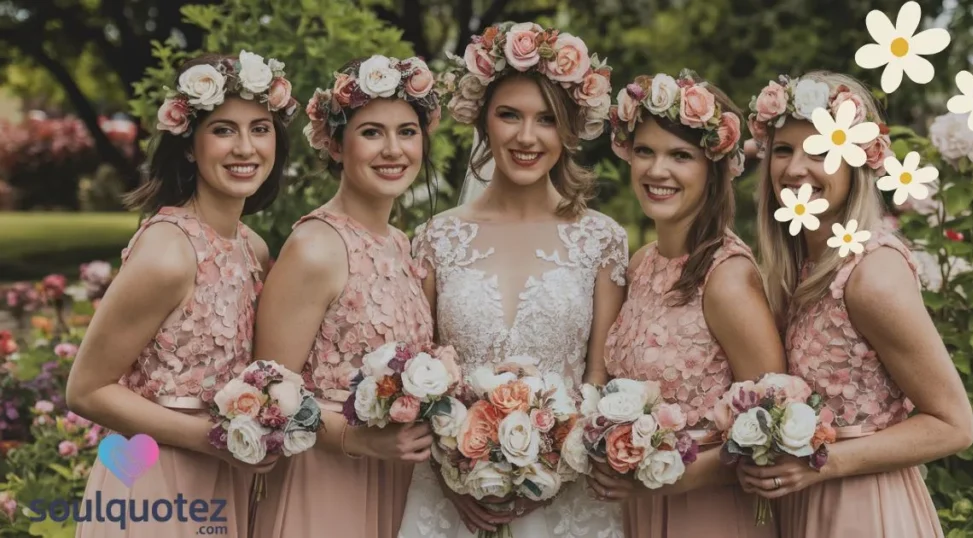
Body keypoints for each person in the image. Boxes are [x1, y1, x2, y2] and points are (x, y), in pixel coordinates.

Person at [398, 21, 628, 538]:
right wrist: (452, 473)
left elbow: (598, 378)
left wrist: (554, 469)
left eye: (546, 119)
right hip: (450, 498)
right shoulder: (436, 237)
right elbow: (419, 373)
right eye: (509, 116)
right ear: (483, 120)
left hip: (568, 501)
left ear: (568, 129)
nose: (527, 137)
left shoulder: (602, 240)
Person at [66, 50, 298, 538]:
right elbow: (86, 389)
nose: (245, 147)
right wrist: (217, 440)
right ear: (190, 145)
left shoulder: (252, 247)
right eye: (223, 130)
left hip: (224, 479)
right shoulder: (169, 252)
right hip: (153, 478)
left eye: (260, 128)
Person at [737, 71, 973, 537]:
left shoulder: (872, 275)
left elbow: (953, 424)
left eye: (821, 151)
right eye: (783, 150)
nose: (795, 168)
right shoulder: (798, 270)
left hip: (865, 509)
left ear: (856, 164)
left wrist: (823, 462)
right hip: (805, 505)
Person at [588, 69, 785, 538]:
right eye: (645, 152)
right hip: (639, 507)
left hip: (708, 512)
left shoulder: (727, 278)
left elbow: (772, 429)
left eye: (680, 156)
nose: (658, 171)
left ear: (713, 168)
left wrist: (664, 476)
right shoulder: (641, 264)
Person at [250, 55, 440, 538]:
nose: (393, 149)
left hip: (402, 486)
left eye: (407, 132)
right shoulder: (315, 247)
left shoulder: (401, 245)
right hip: (326, 484)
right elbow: (269, 395)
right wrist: (359, 440)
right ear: (336, 145)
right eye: (372, 132)